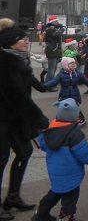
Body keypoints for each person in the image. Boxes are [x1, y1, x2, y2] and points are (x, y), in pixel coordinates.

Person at [0, 19, 50, 220]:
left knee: (25, 152)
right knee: (1, 160)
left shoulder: (19, 59)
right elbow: (17, 94)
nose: (26, 41)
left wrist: (44, 85)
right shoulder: (5, 62)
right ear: (10, 42)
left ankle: (12, 197)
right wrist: (40, 118)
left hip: (16, 118)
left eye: (25, 38)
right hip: (2, 118)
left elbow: (27, 79)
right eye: (21, 39)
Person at [32, 99, 88, 221]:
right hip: (71, 174)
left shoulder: (49, 130)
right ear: (75, 115)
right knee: (70, 197)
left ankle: (41, 213)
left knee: (55, 192)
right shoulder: (75, 134)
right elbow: (84, 155)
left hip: (55, 171)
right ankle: (67, 215)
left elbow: (43, 145)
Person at [44, 57, 88, 127]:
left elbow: (85, 80)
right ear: (65, 65)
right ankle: (59, 119)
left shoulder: (77, 73)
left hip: (75, 93)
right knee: (62, 106)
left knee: (76, 107)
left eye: (74, 63)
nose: (73, 65)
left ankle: (81, 120)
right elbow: (54, 82)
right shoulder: (61, 74)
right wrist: (45, 86)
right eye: (71, 64)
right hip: (64, 93)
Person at [44, 17, 65, 83]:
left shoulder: (54, 29)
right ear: (52, 22)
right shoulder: (49, 29)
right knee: (51, 70)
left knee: (53, 69)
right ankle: (48, 84)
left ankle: (50, 83)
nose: (57, 22)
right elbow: (55, 35)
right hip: (52, 51)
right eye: (56, 21)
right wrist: (62, 29)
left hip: (55, 51)